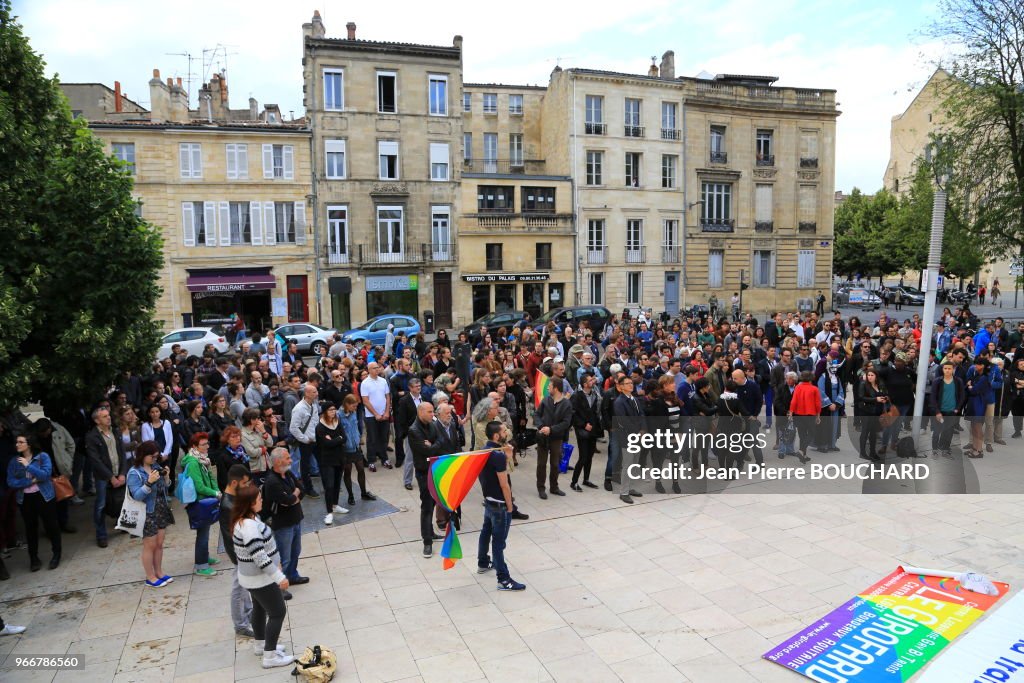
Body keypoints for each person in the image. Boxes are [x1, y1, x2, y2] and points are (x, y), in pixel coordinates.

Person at [230, 484, 295, 669]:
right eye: (259, 499)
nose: (262, 500)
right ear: (250, 503)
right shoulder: (249, 526)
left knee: (259, 609)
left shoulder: (247, 519)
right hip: (261, 579)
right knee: (277, 613)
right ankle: (270, 656)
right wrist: (279, 577)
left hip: (251, 579)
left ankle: (260, 645)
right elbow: (259, 556)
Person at [476, 420, 526, 591]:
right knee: (498, 543)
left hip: (488, 501)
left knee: (485, 532)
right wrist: (510, 506)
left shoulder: (484, 449)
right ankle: (503, 579)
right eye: (505, 431)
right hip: (499, 505)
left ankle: (483, 562)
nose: (507, 433)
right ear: (497, 436)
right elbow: (504, 484)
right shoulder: (497, 456)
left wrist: (508, 456)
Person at [7, 434, 61, 571]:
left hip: (44, 496)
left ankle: (56, 554)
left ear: (29, 444)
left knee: (51, 526)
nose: (17, 444)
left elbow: (45, 475)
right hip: (25, 499)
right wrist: (29, 482)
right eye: (16, 442)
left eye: (21, 442)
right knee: (30, 529)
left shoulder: (42, 457)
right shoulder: (14, 461)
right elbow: (11, 482)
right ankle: (34, 558)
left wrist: (28, 466)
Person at [126, 441, 172, 587]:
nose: (154, 459)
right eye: (152, 457)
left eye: (156, 457)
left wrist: (166, 478)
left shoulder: (156, 467)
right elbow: (137, 496)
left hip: (160, 508)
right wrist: (148, 483)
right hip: (146, 512)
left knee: (159, 544)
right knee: (149, 545)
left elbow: (165, 487)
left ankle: (159, 572)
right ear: (143, 455)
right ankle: (150, 576)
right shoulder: (134, 472)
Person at [262, 448, 308, 587]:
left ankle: (292, 576)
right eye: (287, 458)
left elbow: (302, 490)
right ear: (277, 461)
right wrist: (294, 496)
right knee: (283, 557)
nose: (291, 460)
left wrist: (293, 496)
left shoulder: (287, 473)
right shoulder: (272, 481)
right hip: (283, 524)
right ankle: (280, 584)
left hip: (295, 518)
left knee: (295, 551)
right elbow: (287, 500)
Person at [85, 406, 128, 549]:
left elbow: (122, 452)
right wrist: (110, 477)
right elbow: (95, 460)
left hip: (118, 473)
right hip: (103, 477)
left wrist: (122, 473)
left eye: (108, 415)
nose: (108, 417)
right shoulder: (92, 437)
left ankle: (123, 524)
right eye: (104, 416)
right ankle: (101, 535)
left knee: (120, 500)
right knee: (101, 505)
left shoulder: (115, 431)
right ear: (97, 421)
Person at [219, 464, 254, 637]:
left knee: (244, 588)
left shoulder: (232, 501)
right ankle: (240, 624)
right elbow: (231, 535)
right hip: (239, 553)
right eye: (245, 483)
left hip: (241, 552)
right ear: (234, 483)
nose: (247, 487)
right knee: (239, 589)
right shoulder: (228, 505)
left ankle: (248, 614)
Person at [180, 433, 222, 576]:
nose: (207, 447)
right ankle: (201, 566)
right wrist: (215, 493)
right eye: (203, 445)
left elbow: (211, 477)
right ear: (194, 447)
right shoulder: (193, 462)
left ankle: (205, 556)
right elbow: (199, 486)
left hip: (206, 500)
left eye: (207, 443)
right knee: (202, 534)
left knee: (205, 531)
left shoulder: (203, 459)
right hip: (199, 501)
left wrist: (216, 490)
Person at [407, 402, 445, 558]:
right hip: (424, 472)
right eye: (429, 412)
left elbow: (442, 441)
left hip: (434, 469)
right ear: (421, 412)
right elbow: (426, 450)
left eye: (433, 412)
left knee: (434, 502)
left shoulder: (432, 424)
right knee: (427, 507)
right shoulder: (414, 430)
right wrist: (434, 445)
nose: (433, 414)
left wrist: (434, 444)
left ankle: (430, 532)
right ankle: (427, 542)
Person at [534, 376, 572, 499]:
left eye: (549, 386)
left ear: (555, 388)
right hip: (542, 437)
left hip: (556, 438)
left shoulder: (566, 404)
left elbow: (566, 423)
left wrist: (551, 429)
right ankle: (541, 488)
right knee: (541, 464)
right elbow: (537, 415)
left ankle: (554, 487)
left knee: (555, 464)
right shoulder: (546, 400)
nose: (548, 388)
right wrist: (541, 426)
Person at [315, 403, 350, 525]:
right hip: (327, 460)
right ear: (325, 411)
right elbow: (326, 443)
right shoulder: (320, 427)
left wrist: (335, 439)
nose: (333, 411)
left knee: (336, 484)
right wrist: (338, 439)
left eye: (334, 409)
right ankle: (329, 512)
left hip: (339, 458)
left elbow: (344, 438)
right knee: (329, 486)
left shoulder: (337, 422)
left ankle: (335, 505)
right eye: (330, 410)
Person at [339, 394, 375, 506]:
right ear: (347, 404)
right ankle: (350, 496)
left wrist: (359, 438)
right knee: (348, 472)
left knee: (361, 469)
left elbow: (355, 428)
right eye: (353, 406)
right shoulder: (338, 415)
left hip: (355, 446)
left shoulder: (353, 413)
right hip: (345, 448)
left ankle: (364, 493)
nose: (355, 409)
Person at [570, 371, 603, 491]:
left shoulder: (595, 394)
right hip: (582, 430)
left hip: (593, 429)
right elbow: (573, 414)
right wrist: (584, 425)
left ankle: (586, 479)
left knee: (590, 456)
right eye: (590, 380)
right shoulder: (577, 396)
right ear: (584, 384)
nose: (593, 382)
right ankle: (574, 482)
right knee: (583, 457)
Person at [287, 384, 321, 498]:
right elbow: (293, 428)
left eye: (316, 392)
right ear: (307, 394)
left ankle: (327, 485)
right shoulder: (299, 408)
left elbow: (316, 421)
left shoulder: (314, 405)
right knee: (305, 467)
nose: (317, 394)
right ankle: (308, 489)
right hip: (306, 442)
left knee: (323, 462)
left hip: (316, 440)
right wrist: (305, 439)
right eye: (314, 392)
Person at [360, 362, 393, 471]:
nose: (377, 369)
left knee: (384, 438)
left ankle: (384, 459)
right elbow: (365, 401)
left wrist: (387, 412)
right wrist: (376, 414)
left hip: (384, 414)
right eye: (374, 368)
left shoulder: (383, 381)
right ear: (369, 370)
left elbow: (387, 397)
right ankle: (371, 461)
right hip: (371, 416)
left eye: (377, 368)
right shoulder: (365, 383)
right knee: (372, 439)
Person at [929, 362, 965, 455]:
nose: (947, 370)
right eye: (945, 368)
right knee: (937, 431)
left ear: (953, 369)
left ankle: (945, 447)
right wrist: (937, 411)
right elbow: (933, 397)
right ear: (942, 369)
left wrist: (957, 408)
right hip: (939, 411)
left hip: (952, 411)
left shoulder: (958, 381)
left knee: (949, 431)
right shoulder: (937, 381)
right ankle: (934, 449)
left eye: (949, 368)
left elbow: (962, 396)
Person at [789, 371, 821, 462]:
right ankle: (802, 451)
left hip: (798, 414)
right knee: (811, 434)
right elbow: (818, 404)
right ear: (811, 378)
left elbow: (793, 401)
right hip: (810, 414)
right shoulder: (814, 389)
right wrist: (818, 415)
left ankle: (804, 456)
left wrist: (791, 412)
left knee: (802, 435)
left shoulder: (798, 387)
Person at [856, 368, 887, 461]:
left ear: (876, 376)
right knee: (865, 432)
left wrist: (884, 398)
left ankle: (872, 452)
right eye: (868, 375)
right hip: (866, 411)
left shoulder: (880, 385)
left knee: (874, 433)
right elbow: (861, 397)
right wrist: (875, 399)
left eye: (872, 375)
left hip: (877, 411)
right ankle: (862, 452)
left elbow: (883, 393)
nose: (870, 377)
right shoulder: (863, 384)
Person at [965, 357, 992, 458]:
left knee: (978, 427)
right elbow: (970, 386)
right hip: (973, 403)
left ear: (983, 366)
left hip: (979, 404)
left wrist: (970, 386)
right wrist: (970, 386)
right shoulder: (977, 375)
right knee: (973, 427)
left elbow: (974, 390)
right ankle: (974, 447)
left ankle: (979, 450)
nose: (975, 366)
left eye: (978, 364)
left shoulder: (984, 377)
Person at [241, 408, 273, 482]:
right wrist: (264, 449)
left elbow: (270, 443)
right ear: (251, 420)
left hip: (267, 464)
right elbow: (251, 452)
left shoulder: (258, 429)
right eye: (257, 418)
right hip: (256, 469)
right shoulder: (243, 434)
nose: (259, 420)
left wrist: (263, 431)